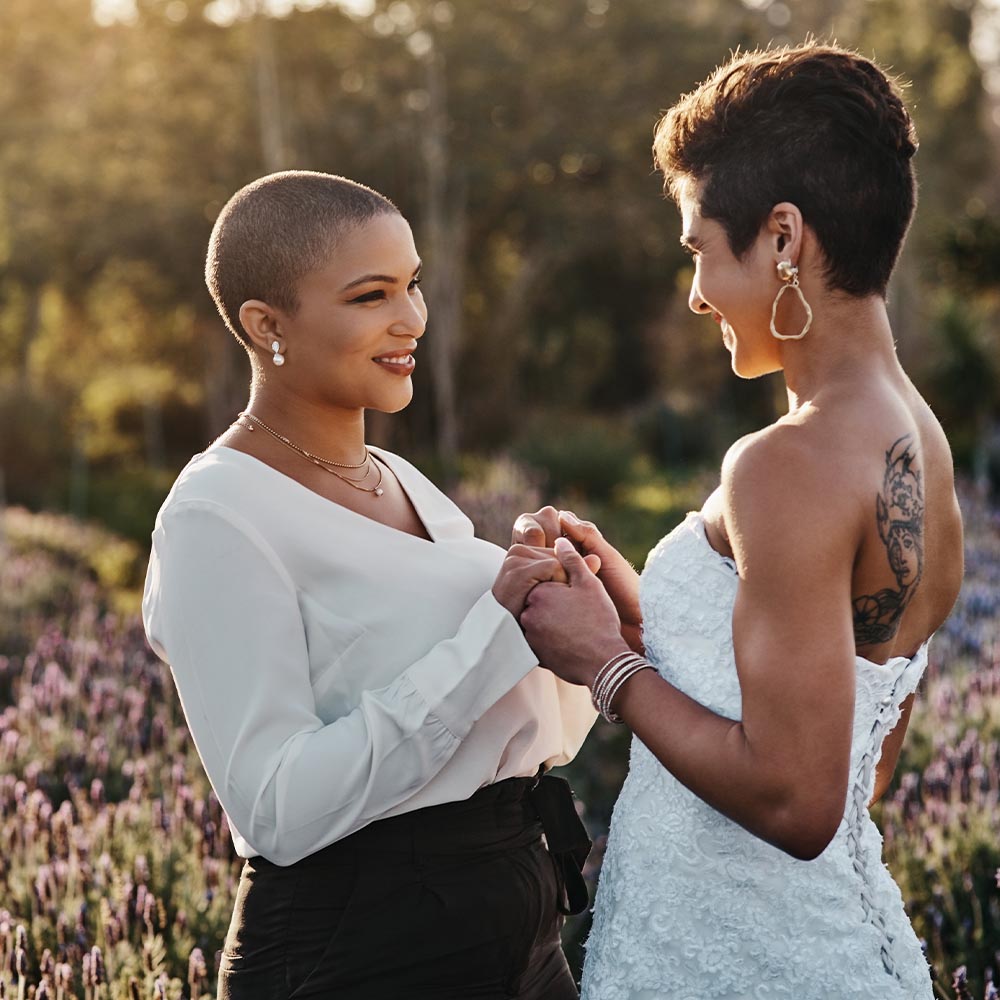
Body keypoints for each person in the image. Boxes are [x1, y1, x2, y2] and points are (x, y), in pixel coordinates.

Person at [507, 43, 964, 999]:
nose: (695, 292)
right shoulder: (916, 440)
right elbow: (850, 768)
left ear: (784, 237)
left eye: (700, 249)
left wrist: (605, 665)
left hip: (735, 965)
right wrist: (646, 624)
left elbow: (799, 803)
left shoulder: (784, 464)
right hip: (819, 947)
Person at [141, 170, 597, 1000]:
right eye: (370, 295)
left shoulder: (399, 477)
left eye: (413, 284)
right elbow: (278, 808)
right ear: (266, 324)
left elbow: (512, 728)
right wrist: (494, 636)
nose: (412, 318)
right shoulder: (217, 514)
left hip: (518, 928)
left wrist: (578, 616)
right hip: (362, 951)